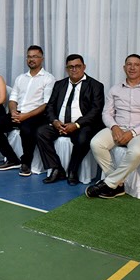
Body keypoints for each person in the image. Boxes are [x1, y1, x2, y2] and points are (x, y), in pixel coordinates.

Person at [86, 54, 140, 199]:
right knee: (96, 143)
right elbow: (106, 113)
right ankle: (118, 183)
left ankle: (109, 183)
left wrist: (133, 133)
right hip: (118, 128)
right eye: (129, 64)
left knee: (136, 152)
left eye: (136, 64)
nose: (132, 67)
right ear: (124, 67)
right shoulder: (115, 89)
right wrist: (115, 127)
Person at [36, 54, 104, 185]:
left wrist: (76, 124)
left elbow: (95, 111)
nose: (74, 69)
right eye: (70, 67)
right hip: (59, 124)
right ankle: (57, 168)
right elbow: (50, 106)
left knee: (83, 138)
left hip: (82, 125)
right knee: (41, 132)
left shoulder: (95, 85)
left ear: (84, 67)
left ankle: (73, 170)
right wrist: (55, 122)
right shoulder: (59, 84)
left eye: (77, 66)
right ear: (66, 69)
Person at [0, 45, 55, 175]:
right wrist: (14, 111)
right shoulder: (20, 78)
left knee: (26, 130)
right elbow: (13, 99)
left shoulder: (48, 78)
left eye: (35, 56)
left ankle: (26, 163)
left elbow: (46, 104)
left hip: (36, 115)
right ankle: (12, 159)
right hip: (18, 113)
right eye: (29, 56)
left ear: (42, 59)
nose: (31, 59)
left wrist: (25, 116)